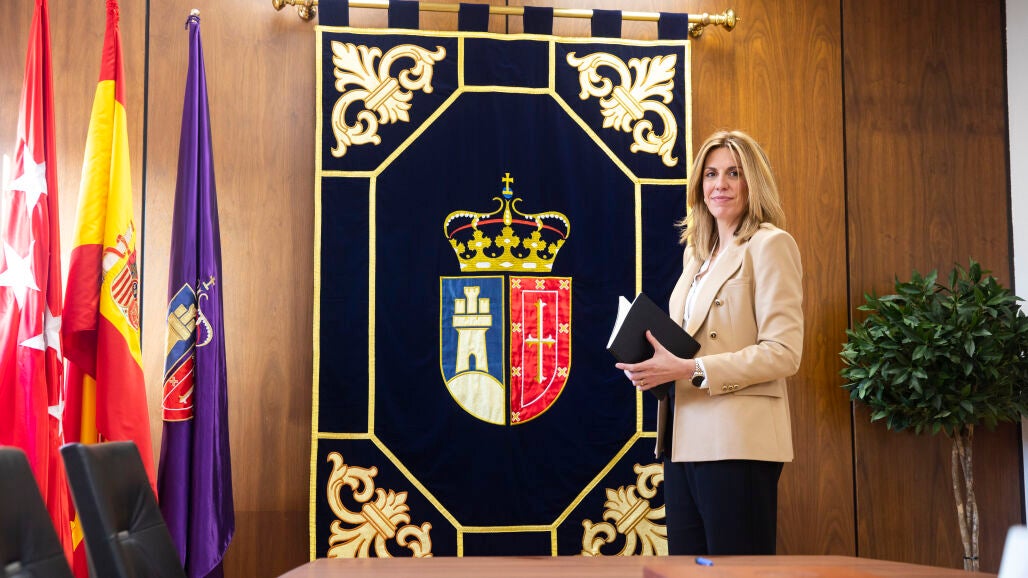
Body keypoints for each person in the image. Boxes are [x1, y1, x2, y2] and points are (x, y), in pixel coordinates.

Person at [615, 129, 803, 556]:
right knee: (689, 569)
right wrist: (651, 366)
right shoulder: (696, 255)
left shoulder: (770, 245)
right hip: (683, 438)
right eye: (711, 174)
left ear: (753, 182)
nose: (721, 184)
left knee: (737, 571)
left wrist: (690, 369)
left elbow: (784, 352)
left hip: (738, 440)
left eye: (734, 173)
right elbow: (687, 344)